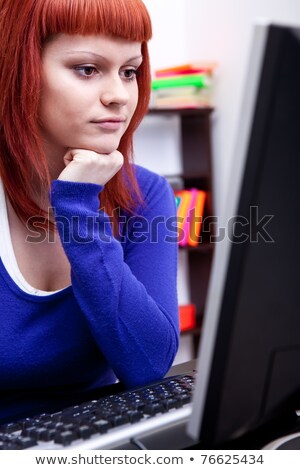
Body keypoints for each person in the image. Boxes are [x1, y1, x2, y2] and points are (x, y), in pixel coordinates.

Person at [0, 0, 179, 422]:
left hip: (97, 440)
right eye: (87, 69)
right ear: (17, 67)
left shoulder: (145, 193)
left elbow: (149, 366)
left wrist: (78, 204)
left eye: (129, 71)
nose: (118, 96)